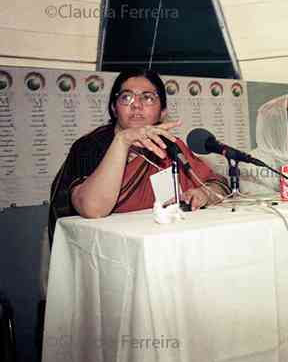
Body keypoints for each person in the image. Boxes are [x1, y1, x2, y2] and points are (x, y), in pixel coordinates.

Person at [48, 69, 229, 244]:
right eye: (126, 97)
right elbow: (92, 209)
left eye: (148, 97)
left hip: (165, 241)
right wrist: (122, 141)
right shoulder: (90, 146)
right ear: (114, 107)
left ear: (163, 111)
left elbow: (219, 185)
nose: (136, 104)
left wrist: (204, 194)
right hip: (107, 248)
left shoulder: (170, 146)